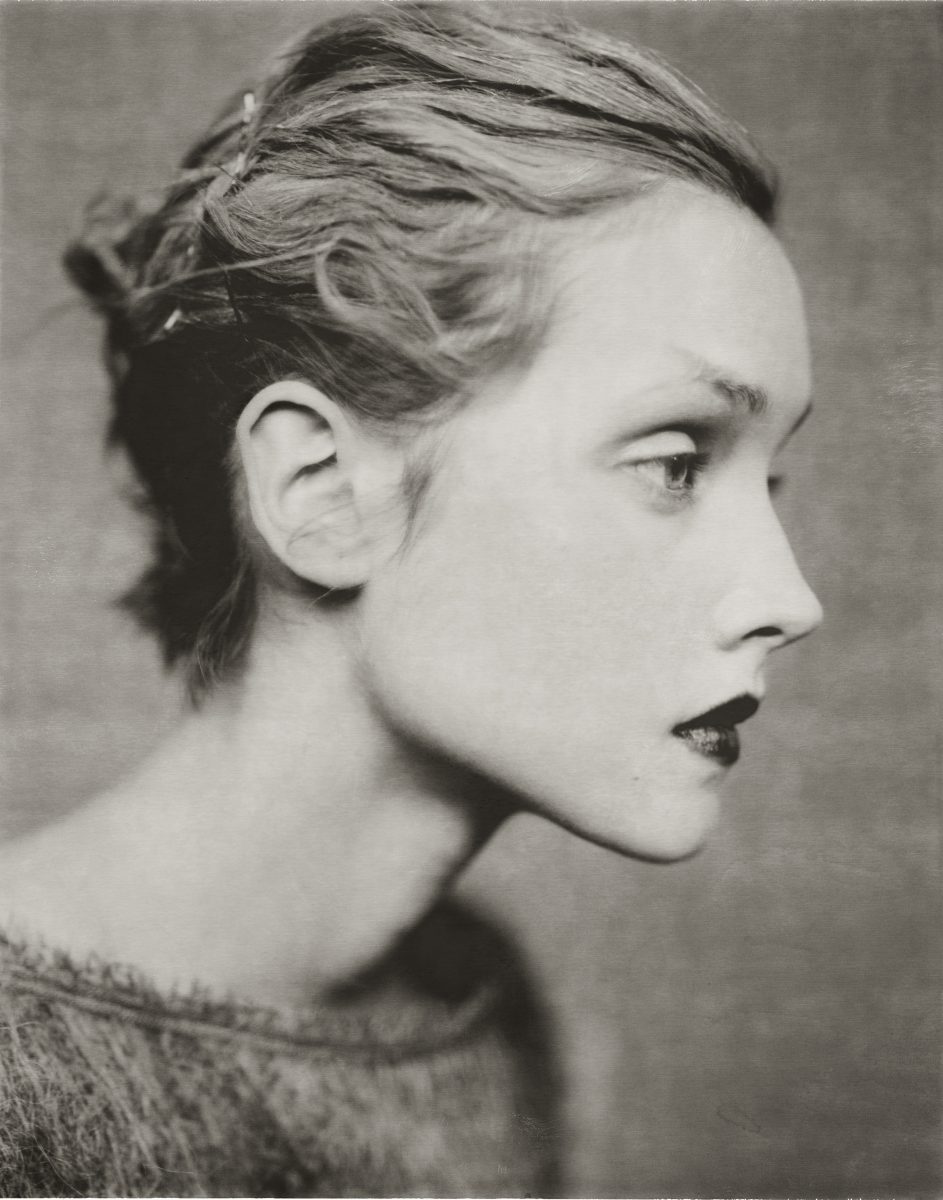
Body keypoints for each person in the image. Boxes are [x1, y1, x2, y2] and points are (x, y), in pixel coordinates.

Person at [0, 3, 823, 1195]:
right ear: (322, 492)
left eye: (770, 481)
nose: (789, 598)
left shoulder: (474, 1007)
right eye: (675, 464)